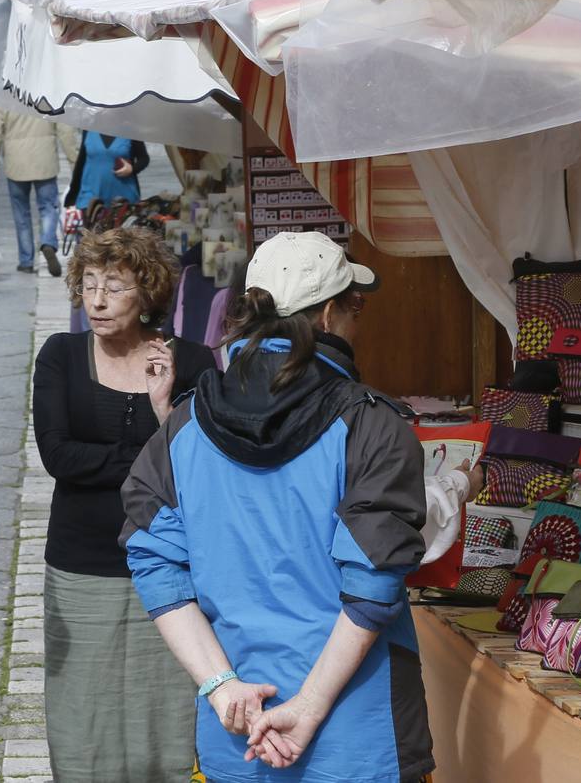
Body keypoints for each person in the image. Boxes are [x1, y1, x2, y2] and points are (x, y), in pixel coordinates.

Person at [122, 231, 434, 782]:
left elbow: (154, 562)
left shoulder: (185, 424)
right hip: (359, 744)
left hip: (237, 734)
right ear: (332, 315)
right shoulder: (371, 426)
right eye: (356, 307)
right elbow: (374, 582)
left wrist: (220, 685)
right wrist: (309, 707)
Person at [32, 227, 217, 782]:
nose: (98, 299)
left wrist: (164, 413)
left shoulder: (193, 361)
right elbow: (59, 456)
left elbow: (202, 468)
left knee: (167, 708)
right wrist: (150, 458)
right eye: (89, 285)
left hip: (172, 563)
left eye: (114, 286)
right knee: (83, 708)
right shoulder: (61, 355)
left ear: (148, 293)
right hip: (81, 561)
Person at [0, 104, 78, 275]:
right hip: (45, 160)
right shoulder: (48, 91)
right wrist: (74, 162)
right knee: (49, 208)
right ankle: (48, 242)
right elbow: (66, 130)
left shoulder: (5, 95)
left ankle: (26, 261)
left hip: (15, 163)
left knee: (21, 214)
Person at [65, 132, 149, 209]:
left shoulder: (130, 129)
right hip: (91, 198)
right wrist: (72, 196)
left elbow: (144, 158)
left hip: (123, 197)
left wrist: (132, 169)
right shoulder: (89, 128)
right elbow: (81, 162)